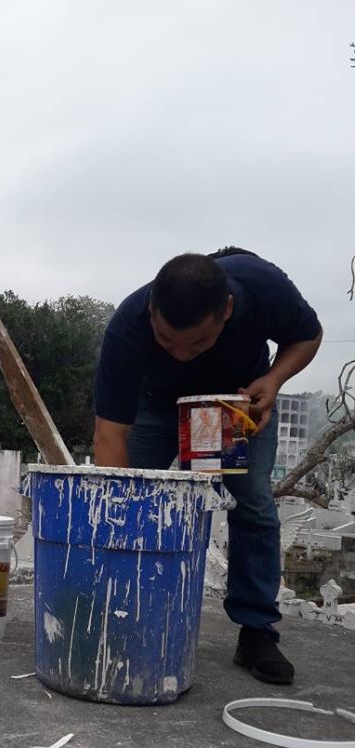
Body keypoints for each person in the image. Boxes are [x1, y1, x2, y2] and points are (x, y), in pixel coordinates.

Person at [93, 248, 322, 684]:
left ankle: (257, 632)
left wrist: (273, 380)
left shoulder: (262, 287)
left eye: (198, 342)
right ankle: (117, 611)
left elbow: (308, 335)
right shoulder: (128, 325)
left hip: (235, 403)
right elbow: (109, 437)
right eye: (166, 341)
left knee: (253, 505)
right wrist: (123, 509)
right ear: (151, 311)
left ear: (227, 311)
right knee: (128, 497)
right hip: (156, 406)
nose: (182, 354)